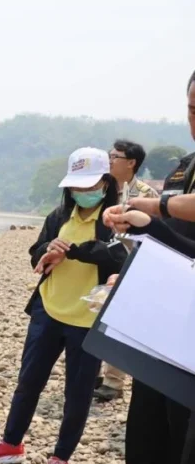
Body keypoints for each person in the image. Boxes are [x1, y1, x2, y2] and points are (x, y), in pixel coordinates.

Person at [81, 71, 195, 464]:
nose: (194, 118)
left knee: (184, 442)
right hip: (164, 317)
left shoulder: (166, 189)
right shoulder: (183, 168)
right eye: (191, 107)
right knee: (146, 427)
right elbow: (172, 239)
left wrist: (154, 211)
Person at [0, 147, 126, 464]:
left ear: (105, 182)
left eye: (90, 187)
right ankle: (11, 443)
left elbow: (121, 258)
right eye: (76, 188)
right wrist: (47, 251)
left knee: (78, 393)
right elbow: (35, 255)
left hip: (88, 320)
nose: (83, 194)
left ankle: (61, 459)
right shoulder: (59, 216)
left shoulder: (117, 218)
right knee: (29, 381)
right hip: (48, 310)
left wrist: (73, 251)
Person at [93, 139, 159, 402]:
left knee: (120, 321)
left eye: (115, 156)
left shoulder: (146, 195)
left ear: (131, 162)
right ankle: (93, 373)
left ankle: (114, 381)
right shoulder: (101, 189)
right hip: (99, 259)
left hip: (130, 264)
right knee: (94, 315)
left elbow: (155, 233)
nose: (109, 160)